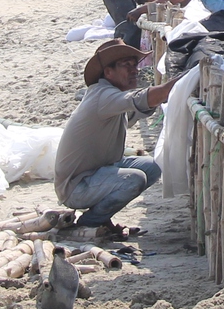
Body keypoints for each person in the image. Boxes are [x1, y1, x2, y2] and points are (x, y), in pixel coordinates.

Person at [55, 40, 181, 233]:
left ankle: (102, 218)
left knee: (155, 165)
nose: (135, 70)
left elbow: (139, 108)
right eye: (126, 65)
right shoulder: (103, 96)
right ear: (108, 72)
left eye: (134, 65)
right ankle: (91, 222)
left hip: (100, 171)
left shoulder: (110, 97)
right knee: (134, 178)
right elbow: (147, 98)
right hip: (77, 186)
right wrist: (186, 78)